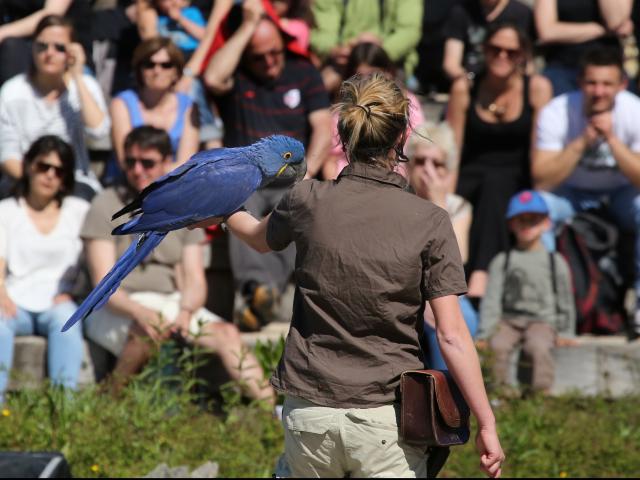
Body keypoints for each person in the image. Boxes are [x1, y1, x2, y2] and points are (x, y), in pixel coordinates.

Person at [195, 73, 504, 478]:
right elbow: (450, 335)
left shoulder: (305, 199)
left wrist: (212, 205)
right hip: (384, 423)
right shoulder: (431, 221)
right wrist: (487, 423)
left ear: (343, 137)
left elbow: (255, 236)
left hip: (307, 417)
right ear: (402, 138)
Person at [82, 126, 273, 402]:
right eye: (130, 162)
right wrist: (141, 312)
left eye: (147, 163)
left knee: (227, 333)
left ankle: (273, 414)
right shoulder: (104, 203)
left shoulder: (191, 194)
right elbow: (105, 282)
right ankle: (108, 403)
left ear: (166, 163)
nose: (137, 170)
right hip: (119, 307)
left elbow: (194, 280)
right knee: (146, 331)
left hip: (172, 305)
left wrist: (185, 312)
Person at [203, 0, 331, 331]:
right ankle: (261, 292)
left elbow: (322, 126)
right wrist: (247, 27)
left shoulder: (304, 71)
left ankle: (258, 295)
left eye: (275, 52)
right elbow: (214, 78)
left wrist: (309, 173)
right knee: (235, 207)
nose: (270, 62)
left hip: (292, 176)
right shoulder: (238, 75)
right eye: (259, 57)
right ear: (246, 52)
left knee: (297, 207)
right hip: (248, 178)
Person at [532, 46, 640, 340]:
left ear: (622, 85)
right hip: (572, 193)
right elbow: (541, 178)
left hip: (621, 193)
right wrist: (582, 142)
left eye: (607, 84)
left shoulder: (634, 110)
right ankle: (545, 310)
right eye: (592, 83)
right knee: (535, 210)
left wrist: (613, 140)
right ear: (580, 83)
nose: (599, 91)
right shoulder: (557, 110)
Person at [447, 22, 552, 299]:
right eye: (495, 49)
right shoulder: (465, 86)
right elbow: (453, 147)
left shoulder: (536, 88)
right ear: (484, 50)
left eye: (511, 51)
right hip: (473, 171)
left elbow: (538, 148)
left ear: (523, 55)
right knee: (481, 190)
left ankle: (481, 273)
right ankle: (477, 272)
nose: (502, 57)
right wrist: (445, 194)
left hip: (516, 175)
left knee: (497, 187)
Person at [0, 136, 89, 404]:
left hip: (60, 300)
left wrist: (78, 292)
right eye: (43, 166)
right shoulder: (6, 210)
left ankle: (64, 412)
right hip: (15, 299)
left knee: (68, 324)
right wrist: (2, 294)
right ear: (28, 166)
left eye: (58, 170)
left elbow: (91, 262)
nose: (50, 175)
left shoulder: (80, 211)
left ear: (65, 178)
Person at [0, 14, 110, 200]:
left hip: (74, 182)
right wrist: (39, 184)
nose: (49, 53)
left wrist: (77, 75)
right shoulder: (12, 91)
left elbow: (98, 131)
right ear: (32, 48)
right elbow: (6, 154)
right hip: (23, 180)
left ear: (72, 51)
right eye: (42, 46)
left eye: (59, 47)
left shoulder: (85, 86)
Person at [479, 190, 576, 395]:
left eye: (534, 220)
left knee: (538, 347)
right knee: (497, 346)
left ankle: (540, 397)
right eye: (520, 220)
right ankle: (499, 396)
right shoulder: (502, 260)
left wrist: (566, 331)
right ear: (511, 224)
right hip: (509, 320)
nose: (527, 225)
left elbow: (565, 299)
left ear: (546, 224)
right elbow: (492, 299)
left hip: (542, 321)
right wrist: (485, 332)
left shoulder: (555, 261)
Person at [406, 121, 477, 370]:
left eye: (437, 164)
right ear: (408, 165)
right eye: (420, 161)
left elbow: (456, 259)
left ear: (449, 170)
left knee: (460, 316)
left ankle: (445, 392)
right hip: (405, 287)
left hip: (444, 288)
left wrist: (438, 204)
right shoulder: (399, 203)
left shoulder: (458, 207)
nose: (428, 170)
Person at [324, 41, 425, 180]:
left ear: (388, 72)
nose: (367, 82)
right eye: (359, 77)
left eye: (373, 75)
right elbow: (331, 160)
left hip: (396, 181)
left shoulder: (408, 103)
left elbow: (417, 148)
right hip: (348, 181)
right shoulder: (344, 110)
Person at [110, 37, 200, 170]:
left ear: (176, 72)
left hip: (175, 184)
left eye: (166, 65)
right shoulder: (121, 103)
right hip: (130, 181)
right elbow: (125, 161)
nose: (157, 71)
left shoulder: (188, 106)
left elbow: (187, 163)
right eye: (149, 64)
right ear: (139, 70)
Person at [310, 0, 423, 95]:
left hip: (388, 62)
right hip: (345, 62)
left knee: (385, 91)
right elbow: (322, 34)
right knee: (318, 91)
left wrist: (375, 52)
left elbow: (409, 32)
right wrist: (335, 50)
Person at [535, 0, 633, 96]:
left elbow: (614, 21)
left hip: (607, 69)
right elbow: (547, 32)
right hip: (564, 68)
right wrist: (602, 30)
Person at [442, 0, 535, 83]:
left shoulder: (521, 13)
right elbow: (451, 64)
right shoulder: (461, 11)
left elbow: (528, 64)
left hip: (510, 84)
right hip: (472, 81)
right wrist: (469, 84)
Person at [136, 0, 206, 59]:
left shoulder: (192, 12)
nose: (172, 2)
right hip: (171, 56)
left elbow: (203, 35)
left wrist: (180, 19)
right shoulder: (158, 19)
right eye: (166, 0)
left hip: (193, 53)